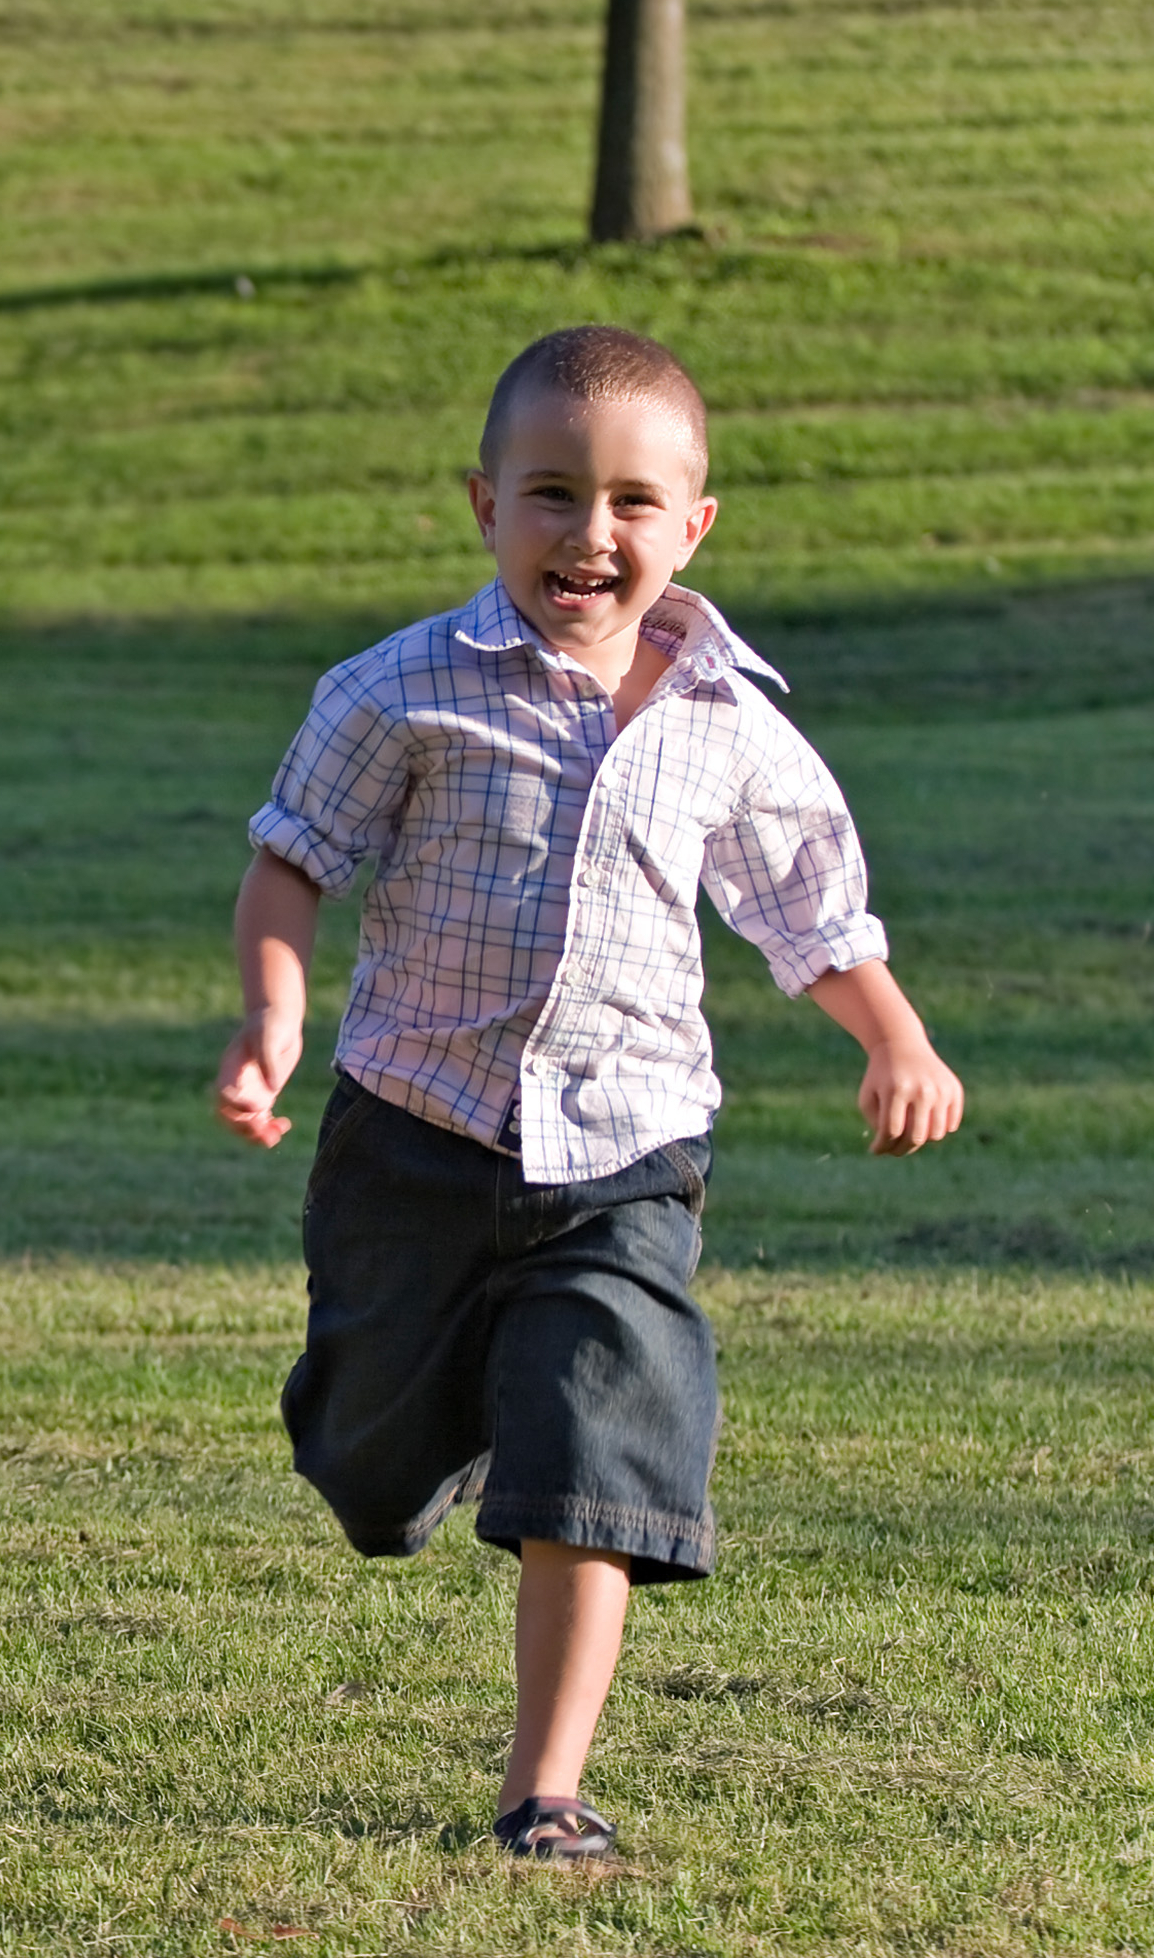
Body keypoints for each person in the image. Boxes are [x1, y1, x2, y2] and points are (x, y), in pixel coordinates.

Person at [212, 325, 964, 1860]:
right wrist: (272, 1015)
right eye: (553, 495)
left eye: (631, 502)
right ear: (484, 504)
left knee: (599, 1457)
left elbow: (807, 907)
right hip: (413, 1132)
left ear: (693, 526)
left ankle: (543, 1789)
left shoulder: (729, 722)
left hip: (628, 1149)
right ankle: (431, 1427)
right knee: (368, 1456)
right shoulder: (400, 689)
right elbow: (293, 858)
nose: (590, 534)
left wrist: (893, 1035)